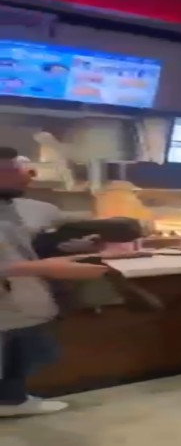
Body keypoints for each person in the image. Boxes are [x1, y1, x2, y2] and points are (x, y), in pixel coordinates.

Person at [0, 147, 109, 417]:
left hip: (20, 300)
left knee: (26, 352)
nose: (26, 176)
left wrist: (74, 247)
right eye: (12, 170)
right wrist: (47, 268)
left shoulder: (22, 210)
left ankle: (12, 400)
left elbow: (30, 245)